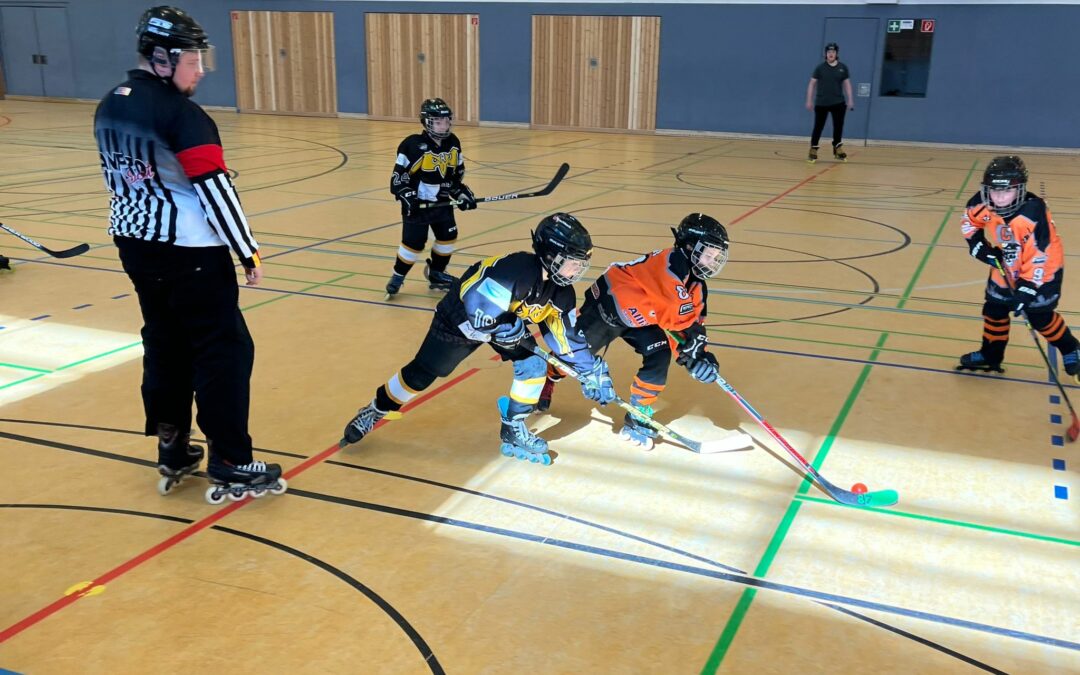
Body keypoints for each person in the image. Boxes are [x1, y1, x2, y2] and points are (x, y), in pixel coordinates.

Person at [94, 6, 285, 502]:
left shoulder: (110, 104)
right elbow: (214, 190)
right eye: (193, 59)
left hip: (135, 246)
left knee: (165, 343)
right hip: (191, 253)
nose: (200, 70)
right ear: (163, 58)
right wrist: (247, 251)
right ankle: (231, 457)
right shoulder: (182, 114)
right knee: (224, 350)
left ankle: (172, 443)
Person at [341, 213, 616, 465]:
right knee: (422, 374)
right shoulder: (515, 270)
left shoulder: (562, 294)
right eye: (570, 263)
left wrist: (590, 370)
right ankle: (376, 409)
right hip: (460, 320)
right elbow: (478, 310)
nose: (575, 272)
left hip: (507, 324)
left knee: (533, 366)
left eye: (580, 265)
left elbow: (565, 338)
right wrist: (511, 332)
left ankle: (513, 427)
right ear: (549, 254)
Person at [539, 214, 749, 451]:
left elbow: (694, 328)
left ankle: (639, 414)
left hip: (642, 322)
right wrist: (693, 344)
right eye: (708, 254)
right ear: (689, 247)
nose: (712, 262)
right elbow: (677, 311)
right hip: (609, 309)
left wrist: (700, 359)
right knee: (572, 358)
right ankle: (547, 378)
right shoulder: (670, 262)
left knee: (660, 358)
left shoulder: (698, 287)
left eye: (716, 257)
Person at [957, 156, 1080, 381]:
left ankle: (1071, 348)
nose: (999, 197)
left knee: (1040, 317)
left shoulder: (1033, 213)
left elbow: (1040, 256)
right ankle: (991, 355)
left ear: (1020, 189)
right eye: (993, 191)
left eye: (1006, 191)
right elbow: (969, 223)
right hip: (1007, 263)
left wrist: (1027, 289)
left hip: (1043, 270)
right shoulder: (982, 203)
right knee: (994, 310)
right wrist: (979, 248)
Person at [385, 97, 476, 298]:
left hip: (442, 204)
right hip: (417, 206)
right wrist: (407, 196)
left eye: (446, 120)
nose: (444, 125)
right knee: (414, 243)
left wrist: (461, 193)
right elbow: (397, 179)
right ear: (427, 122)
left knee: (448, 236)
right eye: (438, 121)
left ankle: (436, 274)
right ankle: (397, 276)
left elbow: (454, 176)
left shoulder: (453, 143)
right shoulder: (412, 145)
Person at [805, 42, 854, 163]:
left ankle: (837, 149)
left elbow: (847, 84)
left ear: (836, 54)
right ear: (825, 54)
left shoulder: (843, 68)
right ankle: (813, 149)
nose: (831, 54)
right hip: (822, 103)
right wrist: (809, 100)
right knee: (818, 127)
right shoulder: (820, 68)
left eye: (833, 52)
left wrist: (850, 99)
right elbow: (812, 84)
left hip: (838, 102)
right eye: (828, 52)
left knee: (838, 127)